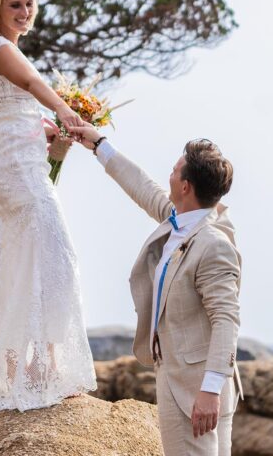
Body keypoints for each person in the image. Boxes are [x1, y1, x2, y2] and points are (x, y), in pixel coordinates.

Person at [0, 0, 96, 420]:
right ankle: (46, 375)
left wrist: (39, 128)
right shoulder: (2, 49)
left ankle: (21, 373)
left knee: (22, 270)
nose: (24, 12)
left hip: (9, 171)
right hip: (20, 178)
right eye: (15, 4)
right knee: (56, 262)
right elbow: (33, 85)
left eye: (29, 4)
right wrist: (70, 117)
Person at [69, 125, 243, 456]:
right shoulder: (183, 220)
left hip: (195, 388)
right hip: (189, 381)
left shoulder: (212, 243)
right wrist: (100, 146)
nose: (169, 176)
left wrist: (209, 390)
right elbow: (143, 188)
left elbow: (227, 321)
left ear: (186, 186)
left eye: (175, 171)